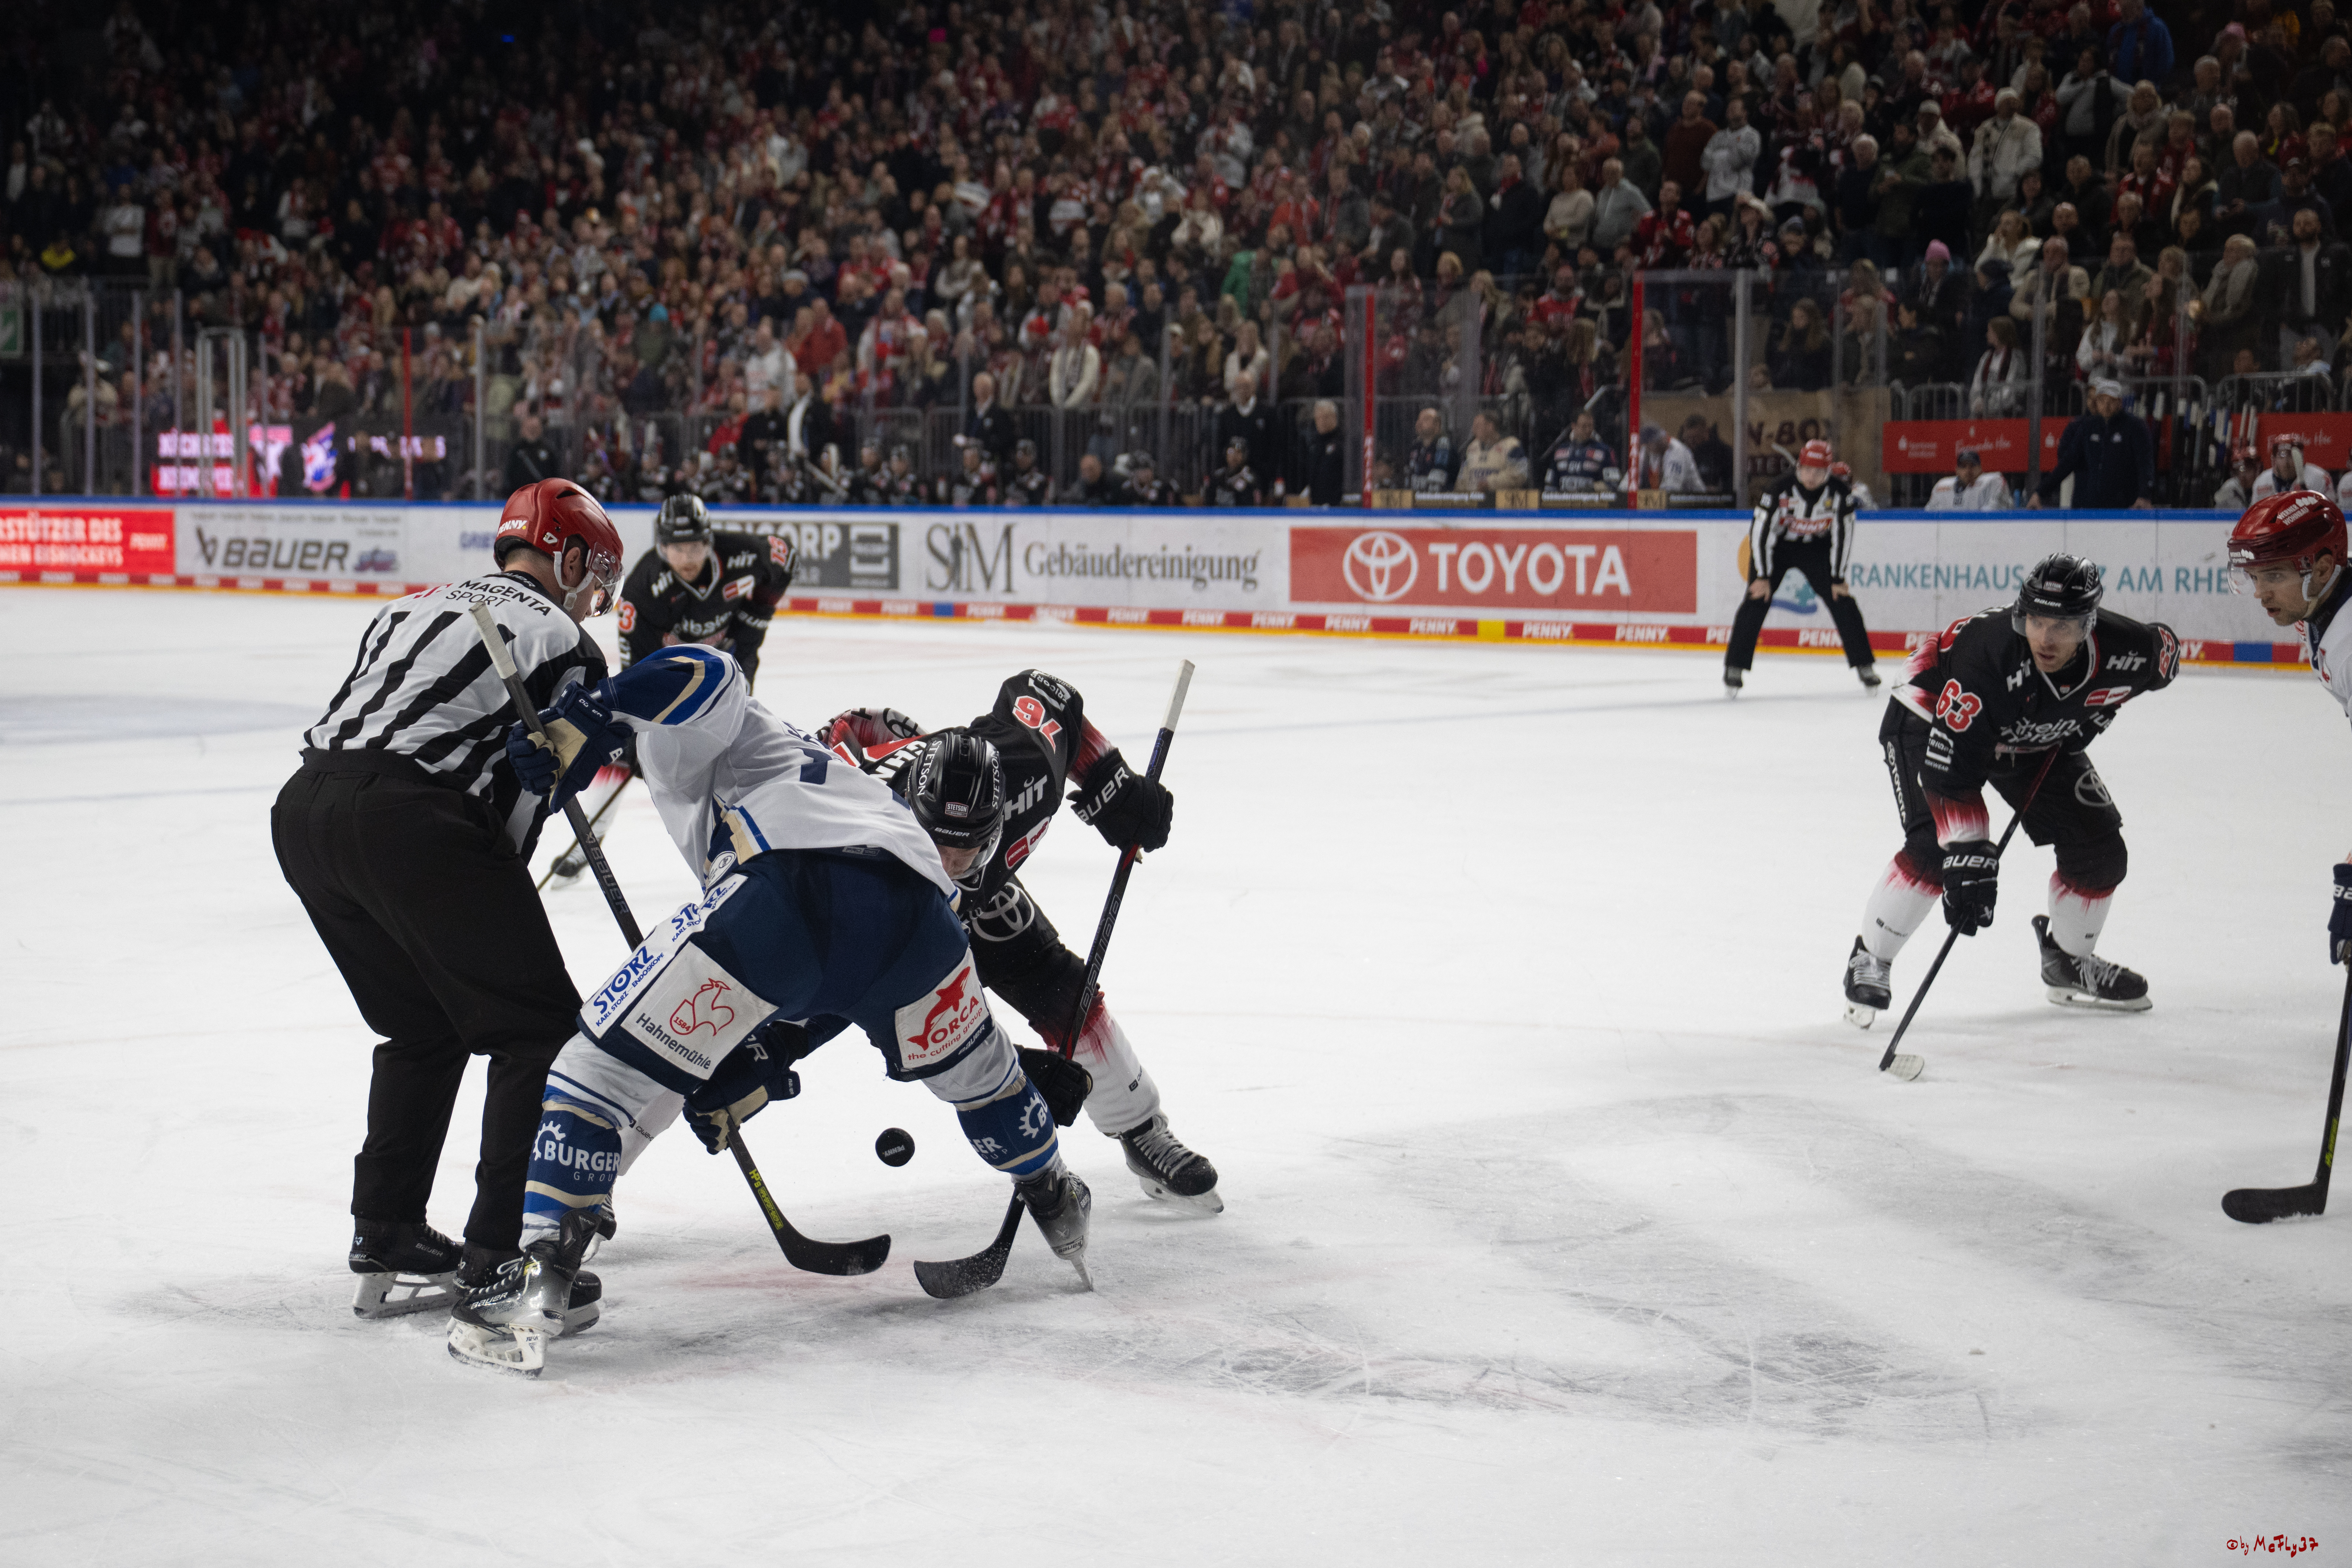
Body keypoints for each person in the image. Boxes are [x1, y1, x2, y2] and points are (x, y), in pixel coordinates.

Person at [446, 649, 1094, 1375]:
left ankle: (539, 1284)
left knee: (594, 1074)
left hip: (783, 896)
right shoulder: (858, 793)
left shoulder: (706, 733)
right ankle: (1058, 1199)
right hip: (922, 934)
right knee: (992, 1084)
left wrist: (585, 719)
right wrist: (759, 1054)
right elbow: (848, 979)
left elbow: (708, 669)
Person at [272, 479, 622, 1321]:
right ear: (566, 555)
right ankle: (503, 1256)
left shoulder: (409, 605)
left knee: (422, 1024)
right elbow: (520, 807)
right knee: (536, 1027)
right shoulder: (566, 642)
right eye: (592, 572)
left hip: (306, 810)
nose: (594, 596)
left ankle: (387, 1226)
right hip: (415, 822)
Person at [821, 675, 1216, 1209]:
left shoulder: (1023, 769)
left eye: (967, 849)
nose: (949, 866)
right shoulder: (859, 850)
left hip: (969, 890)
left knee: (1059, 985)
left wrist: (1112, 783)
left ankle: (1139, 1127)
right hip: (890, 902)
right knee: (841, 1012)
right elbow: (889, 1019)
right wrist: (1017, 1069)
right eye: (937, 845)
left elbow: (1046, 695)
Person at [1841, 553, 2179, 1026]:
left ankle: (2065, 961)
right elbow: (1948, 774)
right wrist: (1968, 850)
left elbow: (2164, 654)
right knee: (1936, 849)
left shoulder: (2125, 648)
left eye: (2060, 626)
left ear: (2087, 625)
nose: (2043, 637)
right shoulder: (1990, 656)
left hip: (2027, 731)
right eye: (2035, 621)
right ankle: (1870, 957)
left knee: (2099, 850)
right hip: (1931, 715)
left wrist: (2100, 709)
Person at [2231, 494, 2352, 964]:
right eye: (2255, 576)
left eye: (2275, 575)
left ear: (2322, 569)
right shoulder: (2322, 605)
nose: (2261, 592)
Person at [1724, 439, 1879, 694]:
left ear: (1828, 471)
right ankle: (1734, 667)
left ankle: (1865, 666)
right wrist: (1762, 575)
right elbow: (1760, 534)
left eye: (1818, 472)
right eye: (1807, 469)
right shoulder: (1778, 489)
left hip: (1815, 550)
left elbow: (1844, 536)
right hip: (1777, 550)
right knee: (1755, 599)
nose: (1811, 476)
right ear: (1799, 467)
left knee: (1842, 601)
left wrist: (1837, 577)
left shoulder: (1839, 493)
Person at [617, 494, 795, 691]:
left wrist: (759, 610)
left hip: (731, 654)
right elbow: (636, 672)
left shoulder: (740, 554)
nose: (687, 560)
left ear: (707, 542)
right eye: (678, 548)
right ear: (664, 548)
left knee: (738, 710)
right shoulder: (643, 588)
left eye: (694, 547)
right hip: (673, 669)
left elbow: (785, 558)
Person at [2032, 379, 2155, 509]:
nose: (2106, 406)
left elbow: (2145, 464)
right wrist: (2040, 493)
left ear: (2120, 402)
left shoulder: (2135, 426)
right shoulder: (2088, 426)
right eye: (2102, 401)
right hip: (2090, 508)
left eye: (2111, 401)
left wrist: (2144, 495)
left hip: (2124, 507)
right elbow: (2067, 463)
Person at [1545, 408, 1620, 493]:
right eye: (1584, 426)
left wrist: (1591, 488)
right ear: (1574, 426)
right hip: (1564, 504)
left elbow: (1613, 483)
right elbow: (1550, 487)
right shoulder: (1560, 451)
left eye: (1591, 426)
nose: (1588, 430)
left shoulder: (1604, 451)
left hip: (1593, 503)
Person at [1457, 411, 1530, 493]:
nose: (1473, 430)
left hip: (1501, 502)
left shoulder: (1512, 446)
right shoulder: (1472, 448)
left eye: (1478, 426)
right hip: (1474, 502)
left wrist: (1490, 484)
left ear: (1490, 426)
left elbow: (1520, 474)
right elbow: (1462, 478)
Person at [2251, 433, 2332, 502]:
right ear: (2274, 459)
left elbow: (2330, 511)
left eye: (2292, 456)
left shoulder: (2319, 477)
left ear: (2301, 458)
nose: (2287, 463)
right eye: (2282, 456)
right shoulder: (2262, 481)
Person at [1926, 448, 2013, 510]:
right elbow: (1929, 514)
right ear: (1957, 470)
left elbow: (1993, 514)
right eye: (1964, 467)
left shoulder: (1993, 482)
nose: (1968, 471)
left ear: (1980, 469)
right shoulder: (1942, 486)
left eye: (1972, 466)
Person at [1300, 400, 1346, 504]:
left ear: (1334, 417)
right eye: (1318, 418)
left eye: (1325, 417)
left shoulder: (1343, 443)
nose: (1321, 422)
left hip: (1336, 506)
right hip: (1315, 505)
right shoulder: (1314, 444)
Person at [1633, 422, 1702, 493]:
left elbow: (1671, 488)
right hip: (1672, 499)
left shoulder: (1677, 450)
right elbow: (1630, 480)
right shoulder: (1647, 451)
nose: (1647, 448)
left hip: (1693, 499)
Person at [501, 412, 558, 493]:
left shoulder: (549, 450)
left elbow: (556, 475)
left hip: (542, 495)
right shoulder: (516, 450)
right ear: (522, 430)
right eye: (529, 428)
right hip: (520, 496)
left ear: (541, 429)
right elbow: (509, 476)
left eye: (535, 428)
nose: (532, 431)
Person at [1406, 407, 1454, 493]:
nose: (1420, 423)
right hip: (1415, 499)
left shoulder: (1443, 444)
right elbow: (1409, 474)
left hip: (1437, 500)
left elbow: (1438, 477)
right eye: (1419, 419)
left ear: (1437, 425)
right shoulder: (1416, 446)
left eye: (1426, 420)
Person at [1208, 435, 1263, 506]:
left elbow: (1257, 505)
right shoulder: (1218, 477)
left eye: (1239, 452)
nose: (1234, 456)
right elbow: (1208, 505)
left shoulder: (1252, 480)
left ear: (1244, 456)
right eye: (1231, 452)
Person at [1003, 438, 1054, 506]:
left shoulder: (1039, 478)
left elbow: (1039, 502)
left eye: (1025, 455)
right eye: (1019, 455)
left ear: (1032, 457)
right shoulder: (1010, 474)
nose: (1021, 459)